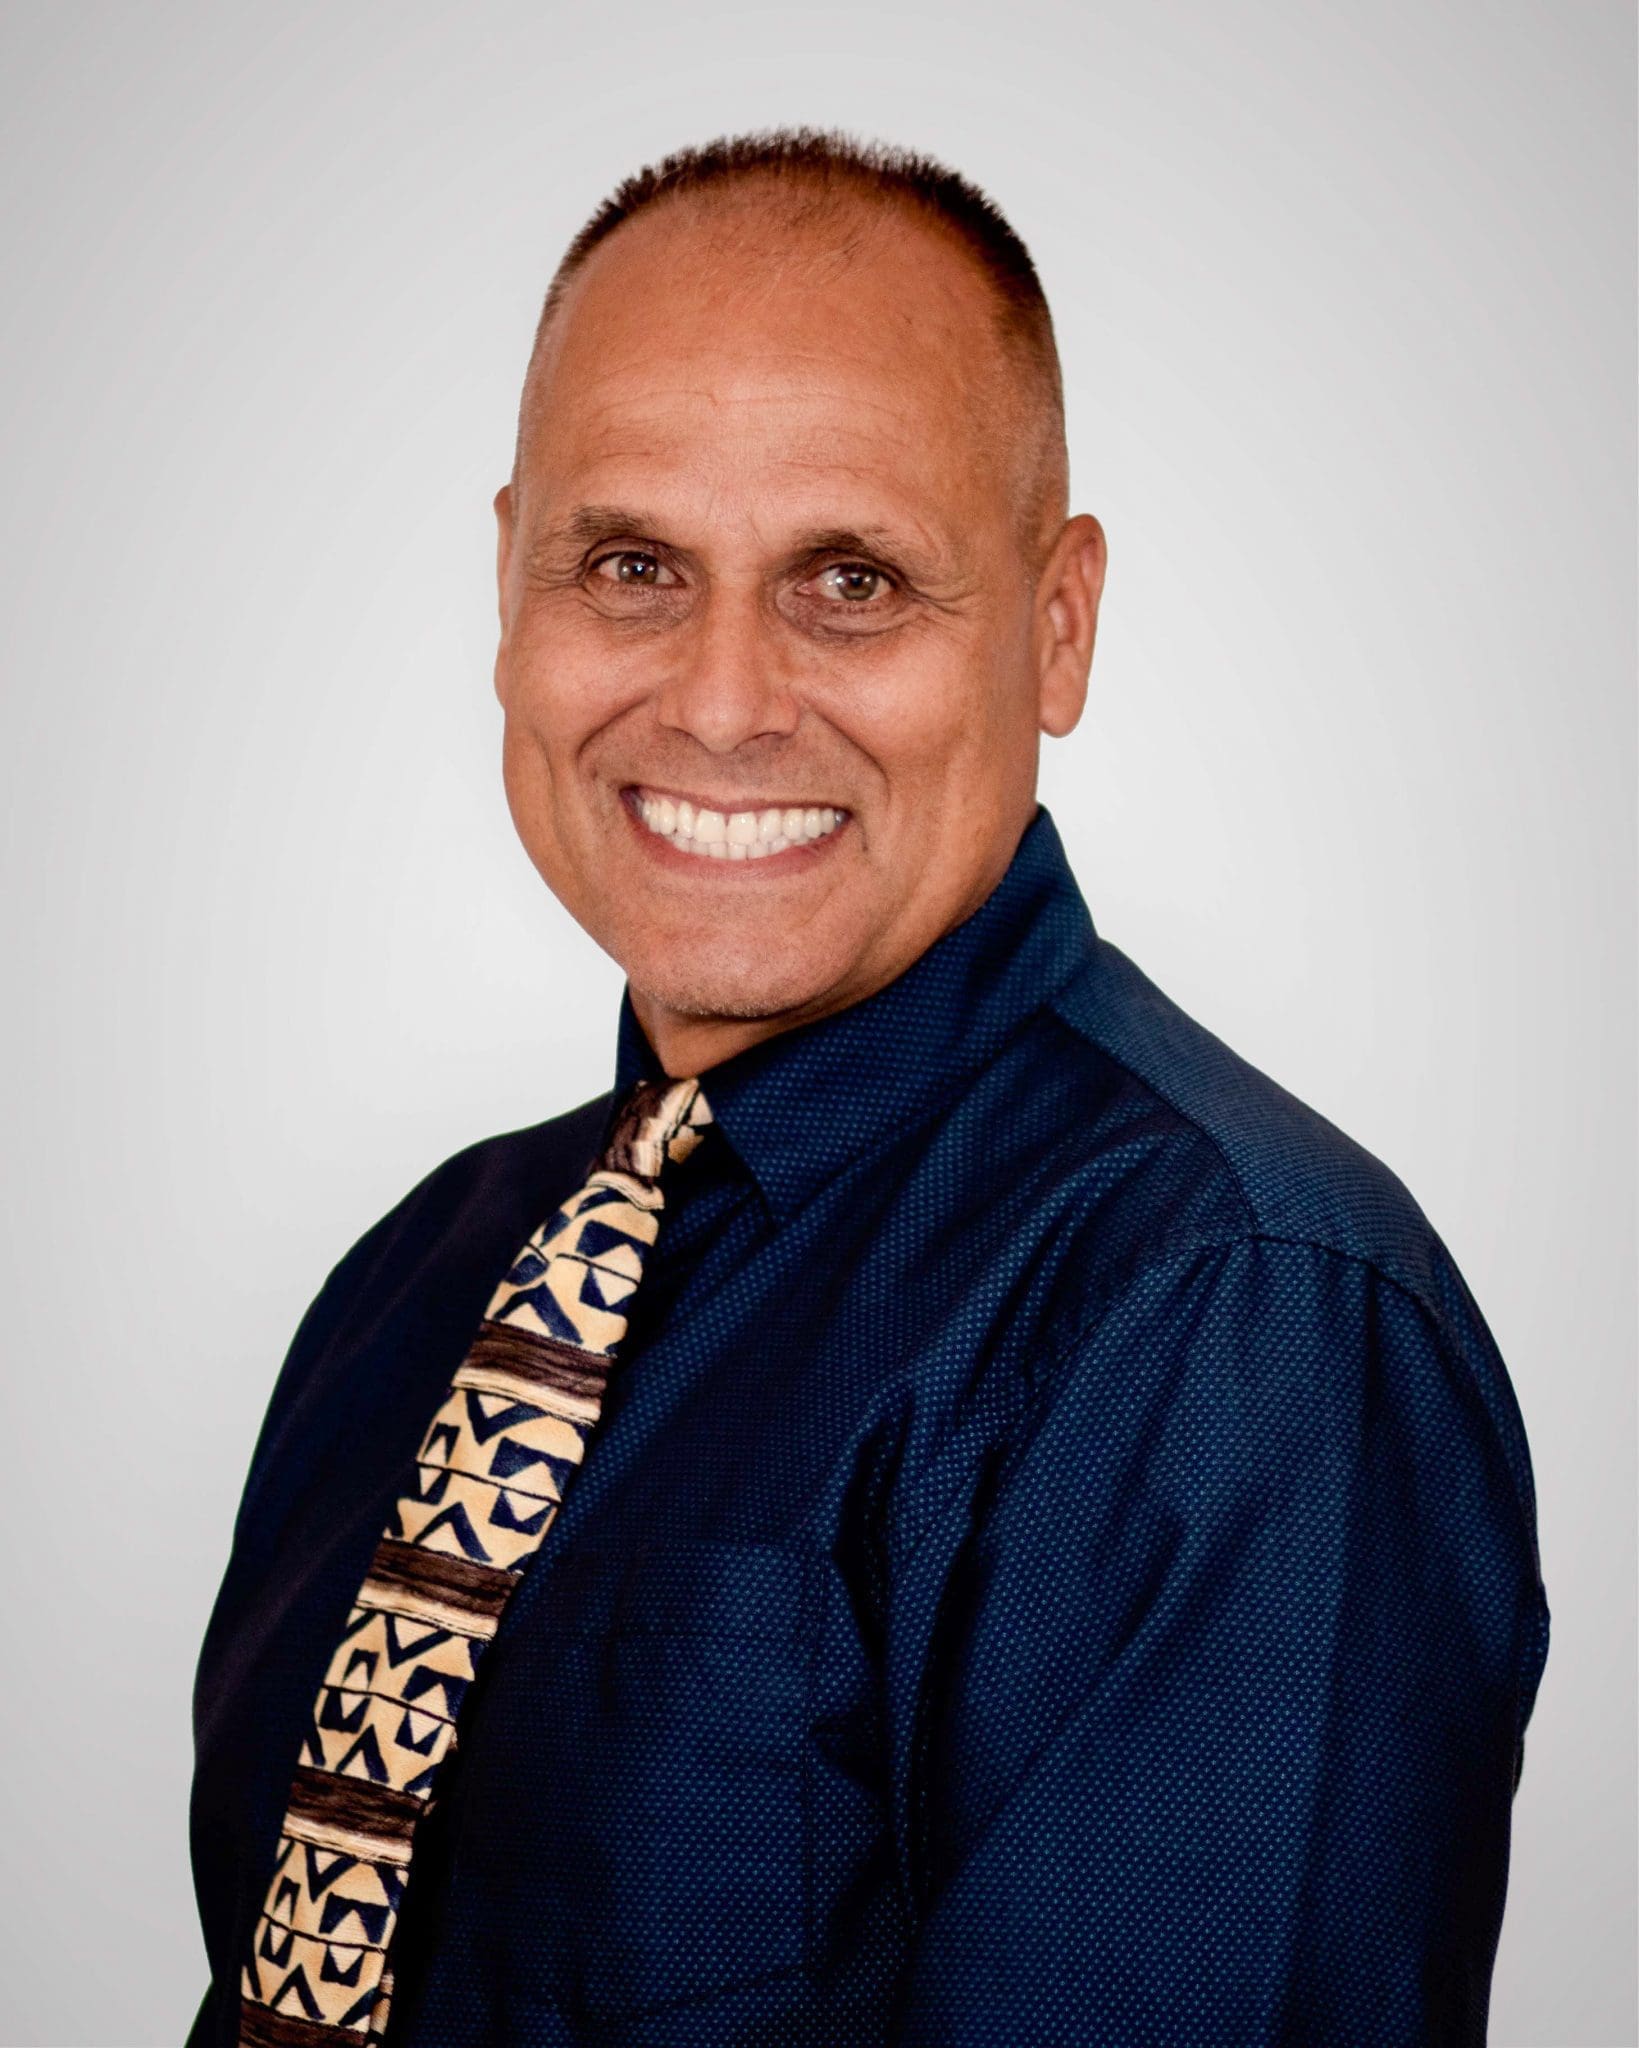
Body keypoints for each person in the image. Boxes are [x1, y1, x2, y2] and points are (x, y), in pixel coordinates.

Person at [186, 130, 1548, 2048]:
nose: (725, 699)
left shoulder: (1225, 1315)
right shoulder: (415, 1290)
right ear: (511, 586)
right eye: (633, 564)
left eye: (852, 579)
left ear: (1057, 626)